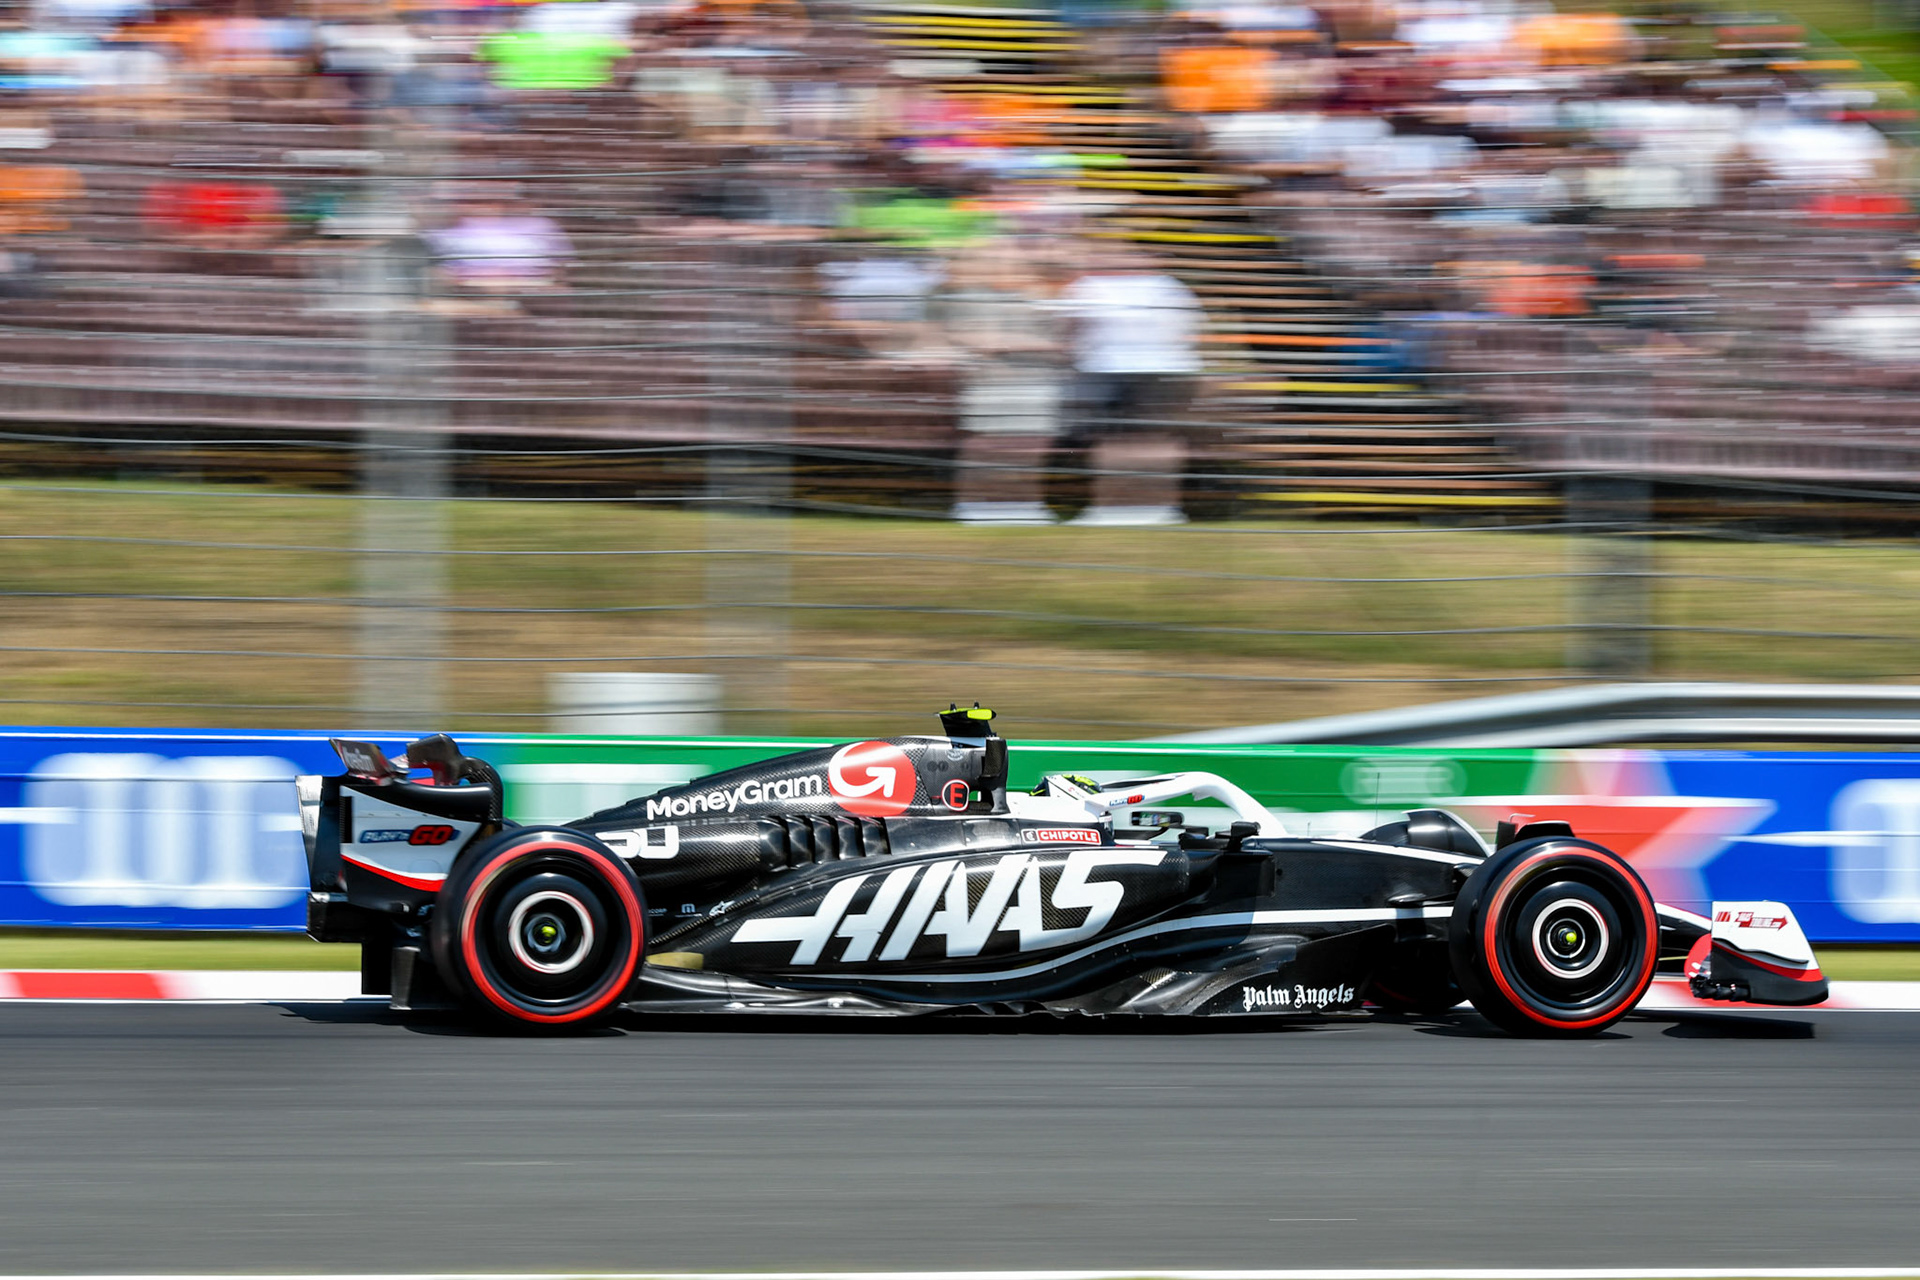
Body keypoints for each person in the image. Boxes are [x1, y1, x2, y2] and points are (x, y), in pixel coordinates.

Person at [1055, 243, 1201, 525]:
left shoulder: (1094, 285)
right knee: (1135, 440)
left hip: (1123, 369)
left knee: (1131, 440)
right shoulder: (1169, 286)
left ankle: (1138, 508)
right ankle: (1138, 508)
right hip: (1146, 369)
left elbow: (1069, 328)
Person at [935, 242, 1062, 524]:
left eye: (1016, 261)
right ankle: (973, 505)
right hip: (989, 382)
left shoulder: (1037, 296)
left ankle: (1026, 505)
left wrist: (1015, 345)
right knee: (986, 446)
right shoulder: (969, 297)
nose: (1010, 267)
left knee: (1031, 447)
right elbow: (981, 342)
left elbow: (1061, 344)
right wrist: (1036, 345)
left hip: (1036, 382)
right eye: (1001, 261)